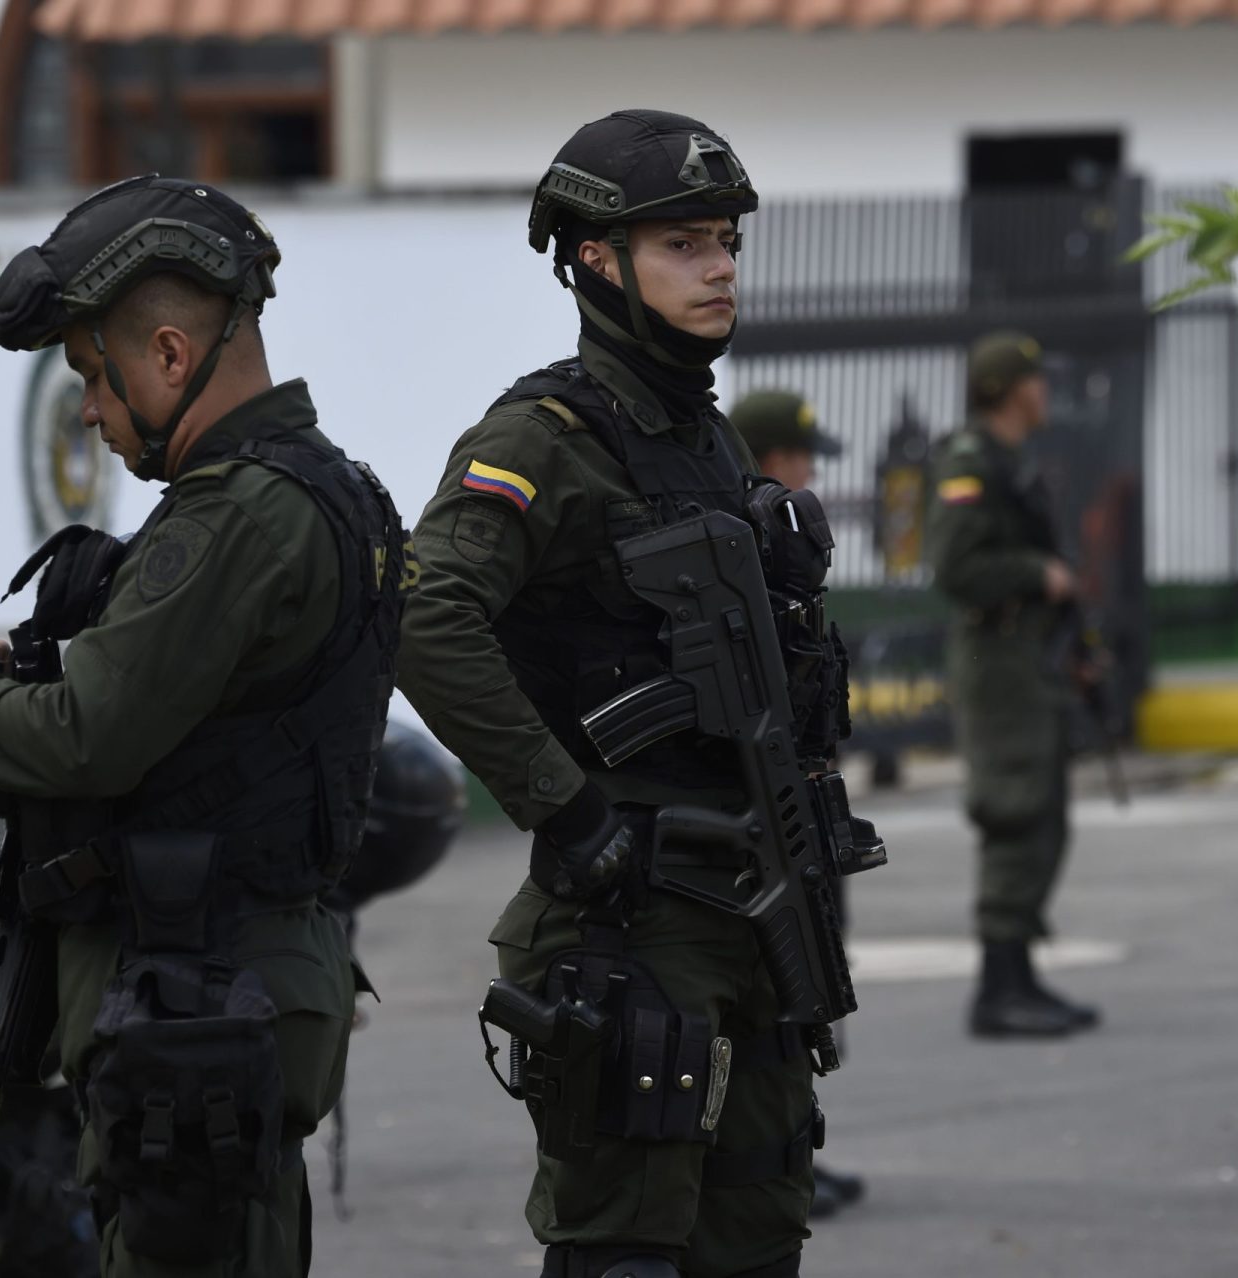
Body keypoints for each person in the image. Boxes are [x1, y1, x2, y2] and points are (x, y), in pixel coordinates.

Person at [0, 176, 408, 1276]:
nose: (92, 417)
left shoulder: (236, 516)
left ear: (165, 355)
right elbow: (190, 703)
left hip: (197, 1003)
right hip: (221, 997)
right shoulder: (321, 490)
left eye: (92, 383)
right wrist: (15, 666)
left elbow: (85, 739)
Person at [400, 110, 849, 1278]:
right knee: (625, 1251)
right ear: (597, 261)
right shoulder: (545, 436)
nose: (720, 270)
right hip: (630, 914)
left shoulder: (708, 441)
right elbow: (423, 612)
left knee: (754, 1242)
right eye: (684, 245)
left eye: (725, 244)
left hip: (748, 904)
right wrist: (562, 804)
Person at [925, 331, 1102, 1039]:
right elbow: (954, 569)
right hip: (999, 669)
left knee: (1045, 816)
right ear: (1009, 390)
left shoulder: (1011, 461)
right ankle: (998, 990)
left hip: (1028, 662)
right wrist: (1038, 575)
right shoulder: (971, 462)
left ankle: (1020, 974)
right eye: (1037, 379)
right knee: (1015, 812)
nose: (1046, 391)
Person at [726, 388, 866, 1221]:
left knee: (806, 973)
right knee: (775, 981)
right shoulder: (741, 534)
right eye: (804, 456)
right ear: (773, 455)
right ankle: (768, 1156)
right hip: (756, 802)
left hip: (798, 791)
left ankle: (792, 1147)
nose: (812, 474)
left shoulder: (779, 537)